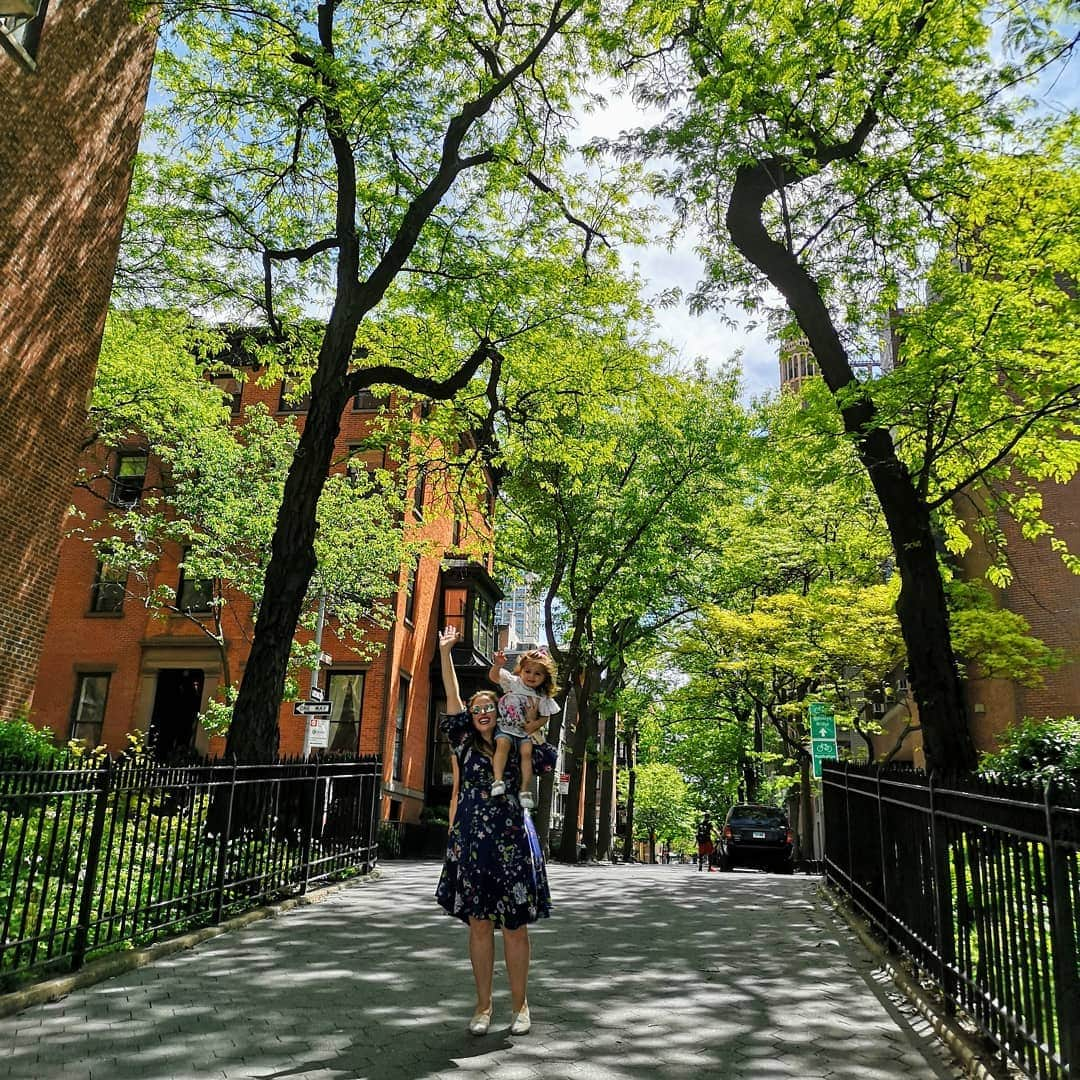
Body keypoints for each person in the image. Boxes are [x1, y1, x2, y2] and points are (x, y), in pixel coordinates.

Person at [435, 626, 552, 1037]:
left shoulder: (517, 740)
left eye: (491, 706)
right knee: (480, 924)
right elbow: (450, 696)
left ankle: (520, 1007)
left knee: (515, 927)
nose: (484, 710)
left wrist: (532, 715)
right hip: (473, 842)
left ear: (500, 712)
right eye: (478, 707)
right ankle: (483, 1007)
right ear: (471, 715)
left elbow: (540, 735)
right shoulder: (464, 744)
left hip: (514, 842)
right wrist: (445, 652)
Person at [488, 647, 560, 810]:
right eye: (528, 671)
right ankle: (497, 781)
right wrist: (498, 665)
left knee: (526, 754)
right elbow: (494, 676)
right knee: (502, 746)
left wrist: (534, 725)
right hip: (506, 727)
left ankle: (525, 790)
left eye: (537, 674)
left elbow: (545, 716)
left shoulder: (542, 697)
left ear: (545, 677)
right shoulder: (513, 683)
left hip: (524, 731)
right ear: (520, 671)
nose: (531, 677)